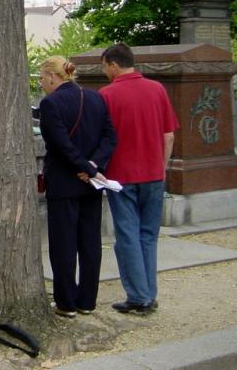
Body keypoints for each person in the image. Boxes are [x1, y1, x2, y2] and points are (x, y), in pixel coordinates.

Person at [100, 43, 179, 315]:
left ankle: (138, 296)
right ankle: (149, 293)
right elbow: (169, 135)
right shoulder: (157, 89)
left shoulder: (107, 95)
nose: (105, 72)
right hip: (154, 173)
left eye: (105, 67)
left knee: (128, 236)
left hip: (121, 176)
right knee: (148, 236)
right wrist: (162, 166)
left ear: (112, 64)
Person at [38, 56, 117, 318]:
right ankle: (87, 300)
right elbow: (109, 136)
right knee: (90, 242)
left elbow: (60, 144)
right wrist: (94, 165)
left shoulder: (51, 103)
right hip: (91, 183)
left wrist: (86, 167)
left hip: (64, 179)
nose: (41, 85)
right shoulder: (95, 98)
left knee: (63, 243)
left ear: (52, 76)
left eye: (41, 79)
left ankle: (66, 302)